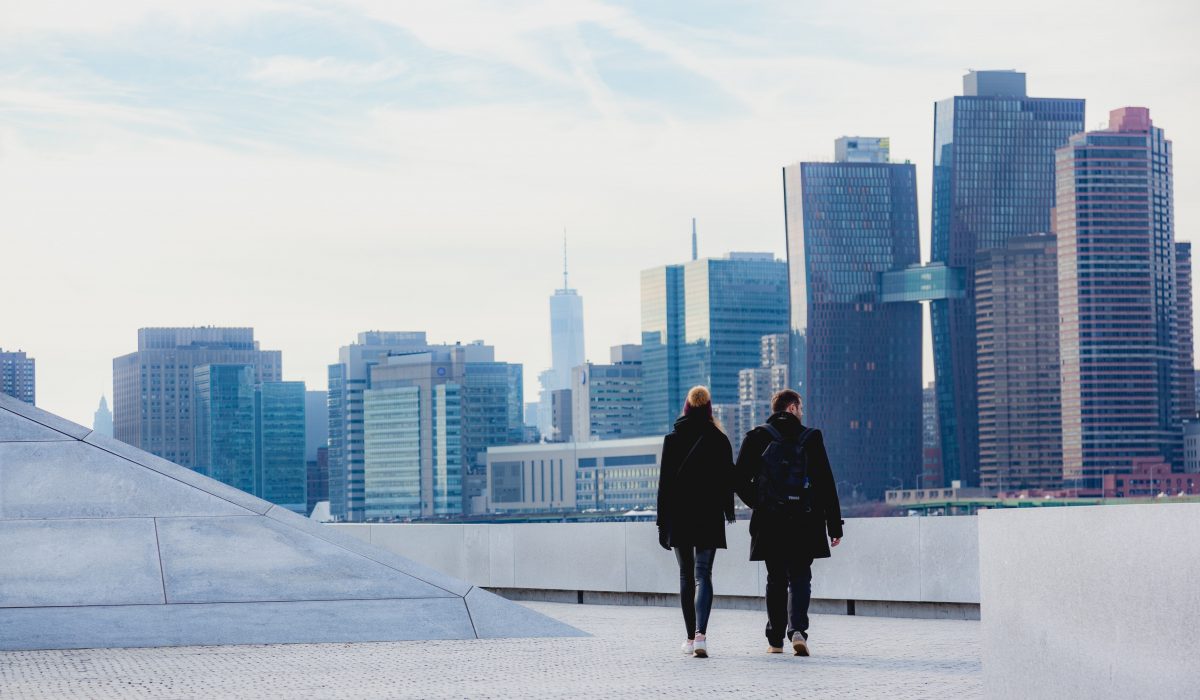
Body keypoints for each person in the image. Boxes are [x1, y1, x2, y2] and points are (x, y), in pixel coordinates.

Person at [734, 389, 843, 656]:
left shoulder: (757, 436)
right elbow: (826, 484)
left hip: (770, 519)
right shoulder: (811, 437)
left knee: (776, 578)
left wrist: (760, 503)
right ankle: (797, 631)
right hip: (805, 519)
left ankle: (774, 640)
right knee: (801, 576)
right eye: (800, 407)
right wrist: (834, 526)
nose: (802, 412)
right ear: (792, 408)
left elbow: (737, 480)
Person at [656, 385, 736, 658]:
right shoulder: (719, 440)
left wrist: (661, 524)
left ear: (687, 407)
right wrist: (728, 509)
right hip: (708, 515)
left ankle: (689, 637)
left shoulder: (672, 439)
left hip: (679, 516)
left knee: (685, 576)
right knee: (704, 575)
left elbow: (664, 486)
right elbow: (729, 481)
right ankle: (702, 635)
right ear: (709, 409)